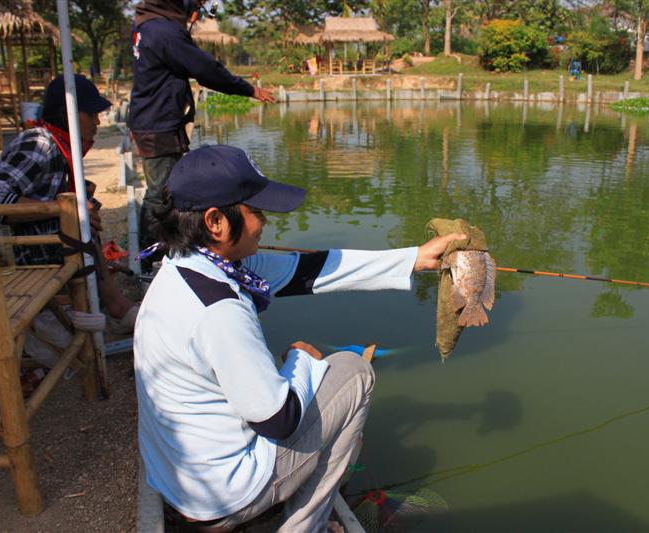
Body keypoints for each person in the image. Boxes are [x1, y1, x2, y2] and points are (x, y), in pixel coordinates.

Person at [134, 144, 463, 531]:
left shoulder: (187, 265)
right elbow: (280, 420)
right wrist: (302, 359)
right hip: (222, 497)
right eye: (256, 212)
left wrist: (413, 258)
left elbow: (306, 270)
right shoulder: (218, 308)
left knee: (298, 373)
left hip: (181, 479)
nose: (265, 222)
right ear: (215, 221)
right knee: (353, 373)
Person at [0, 75, 138, 333]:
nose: (97, 122)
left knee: (83, 217)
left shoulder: (62, 146)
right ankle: (113, 308)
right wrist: (66, 210)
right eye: (91, 114)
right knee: (78, 221)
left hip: (35, 244)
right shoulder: (39, 144)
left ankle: (112, 305)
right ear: (67, 113)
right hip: (7, 252)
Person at [129, 0, 276, 256]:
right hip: (158, 124)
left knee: (160, 191)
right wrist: (248, 89)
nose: (194, 16)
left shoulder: (147, 26)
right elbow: (206, 69)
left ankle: (159, 249)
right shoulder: (165, 32)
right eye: (194, 8)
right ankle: (152, 256)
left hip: (151, 119)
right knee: (161, 195)